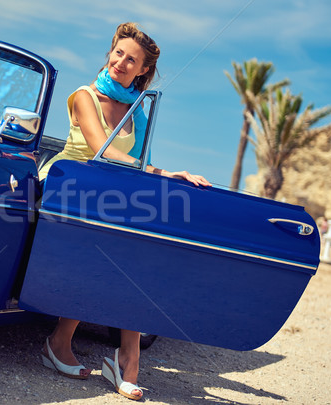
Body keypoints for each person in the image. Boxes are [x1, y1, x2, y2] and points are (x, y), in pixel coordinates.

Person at [38, 22, 211, 401]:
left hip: (110, 195)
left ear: (143, 70)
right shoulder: (85, 95)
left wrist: (171, 178)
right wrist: (159, 171)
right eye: (118, 53)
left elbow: (132, 162)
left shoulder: (137, 110)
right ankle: (63, 343)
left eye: (131, 59)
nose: (121, 62)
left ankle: (126, 357)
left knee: (141, 247)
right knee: (114, 246)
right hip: (70, 186)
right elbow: (103, 149)